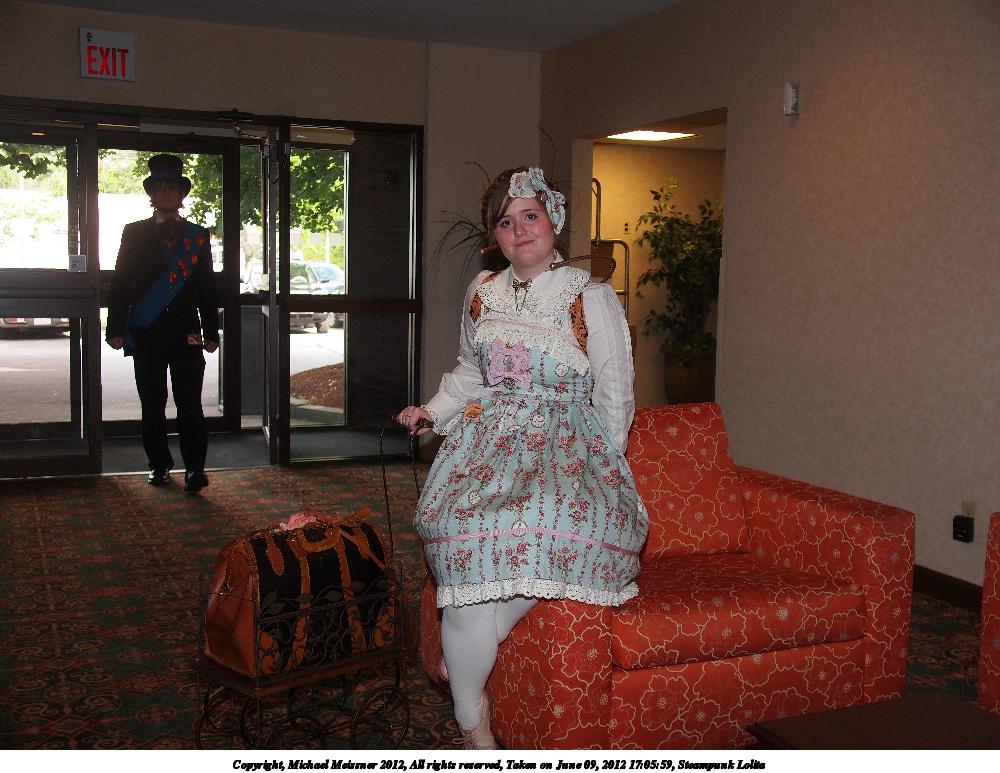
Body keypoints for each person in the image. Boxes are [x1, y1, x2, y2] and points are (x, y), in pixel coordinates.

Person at [397, 167, 648, 749]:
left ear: (553, 219)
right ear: (495, 236)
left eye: (530, 216)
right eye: (506, 222)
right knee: (462, 538)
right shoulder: (483, 292)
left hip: (567, 447)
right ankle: (474, 726)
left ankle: (466, 663)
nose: (520, 230)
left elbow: (615, 393)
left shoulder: (589, 295)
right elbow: (470, 372)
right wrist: (432, 410)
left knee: (549, 532)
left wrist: (604, 467)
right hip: (486, 446)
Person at [106, 154, 219, 493]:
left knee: (190, 405)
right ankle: (158, 464)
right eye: (160, 187)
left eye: (172, 187)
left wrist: (211, 330)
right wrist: (115, 327)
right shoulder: (133, 232)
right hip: (147, 332)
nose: (167, 193)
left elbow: (206, 287)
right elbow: (121, 281)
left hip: (187, 332)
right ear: (152, 193)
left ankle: (195, 469)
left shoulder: (198, 236)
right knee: (152, 405)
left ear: (182, 194)